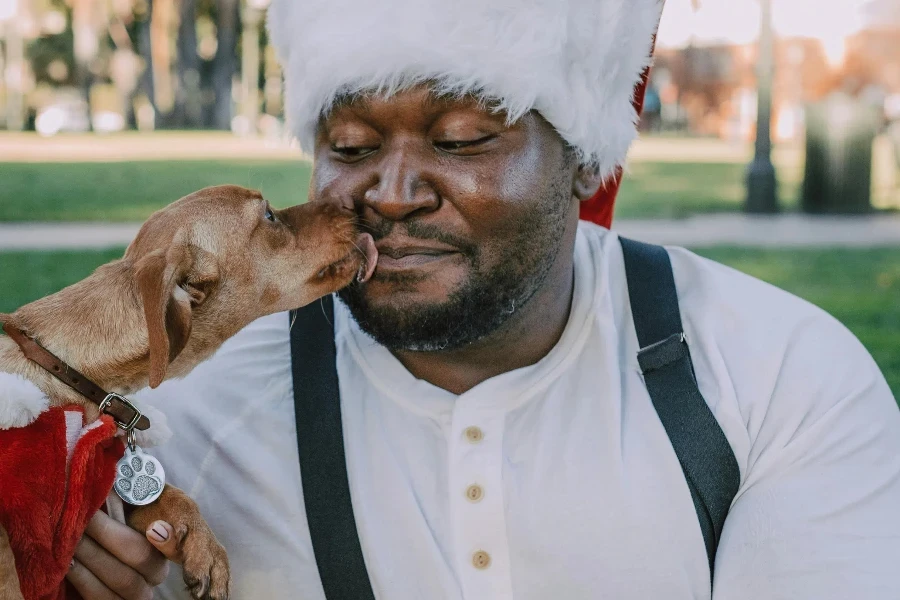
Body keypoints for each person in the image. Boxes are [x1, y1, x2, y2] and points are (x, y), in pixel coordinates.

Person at [66, 0, 900, 598]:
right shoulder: (188, 413)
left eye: (461, 137)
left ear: (583, 156)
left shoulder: (780, 378)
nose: (389, 194)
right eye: (349, 144)